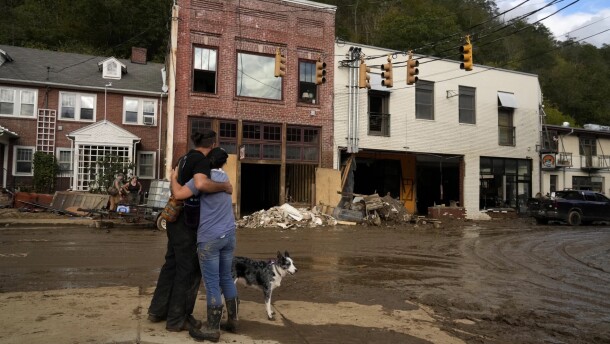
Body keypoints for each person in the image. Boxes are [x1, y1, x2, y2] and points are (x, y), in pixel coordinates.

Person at [147, 129, 232, 332]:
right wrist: (223, 187)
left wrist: (174, 177)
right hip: (188, 221)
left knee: (171, 265)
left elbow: (176, 183)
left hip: (175, 220)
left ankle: (158, 310)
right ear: (211, 145)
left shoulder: (184, 158)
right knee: (189, 270)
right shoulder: (202, 161)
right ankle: (178, 319)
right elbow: (201, 184)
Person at [170, 147, 237, 342]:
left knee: (212, 283)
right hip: (229, 235)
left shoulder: (202, 181)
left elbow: (179, 194)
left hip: (210, 238)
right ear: (223, 162)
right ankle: (233, 320)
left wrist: (173, 177)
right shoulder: (226, 180)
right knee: (226, 277)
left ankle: (212, 328)